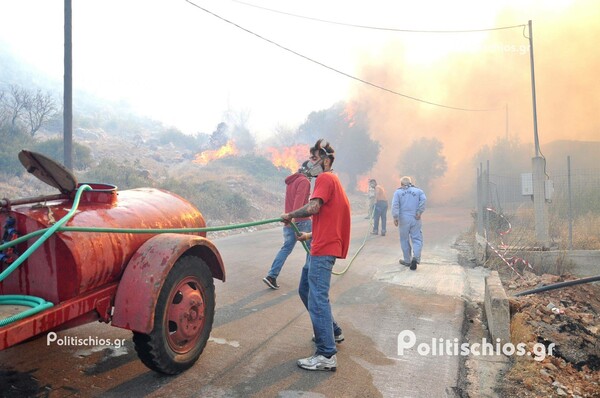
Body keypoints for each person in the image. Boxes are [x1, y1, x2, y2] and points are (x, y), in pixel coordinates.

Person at [281, 139, 351, 372]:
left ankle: (326, 354)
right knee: (306, 290)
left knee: (317, 297)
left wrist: (290, 214)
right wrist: (310, 234)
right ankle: (333, 331)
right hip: (319, 245)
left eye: (314, 158)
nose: (310, 162)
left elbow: (313, 208)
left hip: (324, 250)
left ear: (326, 160)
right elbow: (329, 217)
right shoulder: (334, 181)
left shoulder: (325, 178)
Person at [263, 161, 313, 290]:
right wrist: (294, 220)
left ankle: (271, 275)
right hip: (300, 221)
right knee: (312, 247)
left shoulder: (292, 181)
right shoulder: (304, 182)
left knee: (286, 248)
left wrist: (289, 219)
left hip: (289, 220)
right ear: (307, 170)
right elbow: (298, 203)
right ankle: (311, 278)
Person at [391, 176, 426, 271]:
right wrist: (419, 212)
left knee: (404, 239)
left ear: (401, 184)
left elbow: (395, 205)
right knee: (417, 239)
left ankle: (407, 260)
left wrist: (395, 217)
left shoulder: (398, 192)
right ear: (411, 183)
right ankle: (416, 258)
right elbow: (423, 200)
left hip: (403, 219)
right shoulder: (418, 191)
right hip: (415, 218)